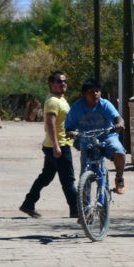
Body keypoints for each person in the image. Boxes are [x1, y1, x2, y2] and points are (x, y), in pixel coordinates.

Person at [19, 71, 77, 219]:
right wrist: (57, 146)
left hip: (53, 145)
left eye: (64, 81)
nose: (62, 84)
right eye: (58, 81)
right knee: (68, 180)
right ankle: (76, 210)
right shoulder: (53, 101)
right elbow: (50, 124)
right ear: (51, 84)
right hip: (58, 146)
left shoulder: (60, 99)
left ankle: (28, 203)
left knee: (46, 177)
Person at [64, 79, 127, 194]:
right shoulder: (77, 107)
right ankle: (84, 204)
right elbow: (69, 126)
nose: (95, 94)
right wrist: (70, 132)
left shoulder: (105, 104)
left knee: (119, 151)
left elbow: (117, 118)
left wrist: (119, 124)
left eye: (97, 91)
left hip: (107, 137)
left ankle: (119, 178)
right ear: (84, 94)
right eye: (91, 92)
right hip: (86, 139)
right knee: (84, 173)